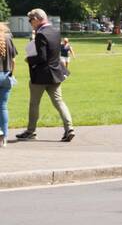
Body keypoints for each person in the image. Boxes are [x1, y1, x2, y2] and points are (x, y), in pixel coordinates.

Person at [16, 9, 76, 143]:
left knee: (34, 104)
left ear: (37, 19)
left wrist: (29, 59)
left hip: (41, 75)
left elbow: (41, 57)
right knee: (59, 102)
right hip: (55, 74)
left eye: (31, 20)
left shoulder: (41, 34)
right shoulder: (55, 31)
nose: (31, 23)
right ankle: (69, 128)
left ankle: (31, 131)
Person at [0, 21, 17, 147]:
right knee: (3, 107)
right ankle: (4, 136)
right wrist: (11, 74)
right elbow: (13, 61)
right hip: (6, 75)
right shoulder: (8, 39)